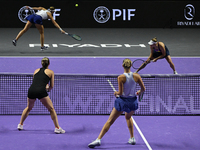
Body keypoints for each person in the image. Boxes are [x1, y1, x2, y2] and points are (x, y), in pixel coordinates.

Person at [88, 58, 145, 148]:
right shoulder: (137, 76)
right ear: (130, 66)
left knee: (110, 121)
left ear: (123, 65)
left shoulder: (121, 77)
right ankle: (132, 138)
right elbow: (143, 89)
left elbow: (120, 92)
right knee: (128, 117)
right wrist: (137, 93)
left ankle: (98, 139)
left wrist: (115, 93)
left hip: (122, 102)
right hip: (133, 102)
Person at [17, 57, 65, 134]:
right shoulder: (51, 72)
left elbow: (36, 82)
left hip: (31, 90)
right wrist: (47, 89)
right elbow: (51, 86)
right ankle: (57, 128)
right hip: (41, 91)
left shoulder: (36, 71)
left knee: (28, 108)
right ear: (49, 64)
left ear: (41, 64)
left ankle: (20, 124)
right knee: (51, 109)